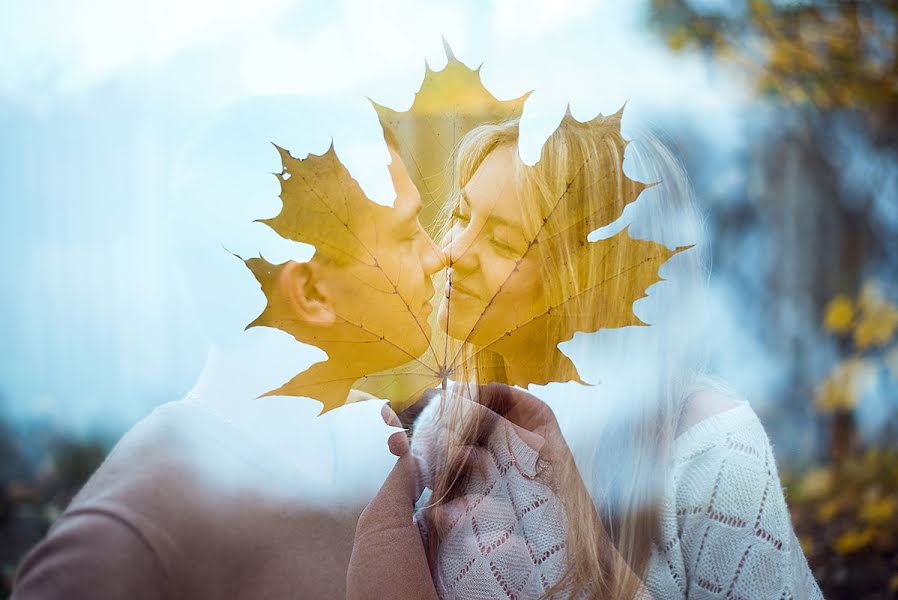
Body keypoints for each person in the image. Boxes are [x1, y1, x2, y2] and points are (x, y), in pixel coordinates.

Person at [349, 111, 825, 599]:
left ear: (590, 287)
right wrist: (393, 524)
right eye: (464, 215)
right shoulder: (451, 442)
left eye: (501, 240)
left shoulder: (714, 455)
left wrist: (574, 535)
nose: (450, 251)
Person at [11, 139, 442, 599]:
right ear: (311, 292)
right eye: (404, 234)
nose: (437, 256)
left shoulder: (375, 443)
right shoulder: (120, 543)